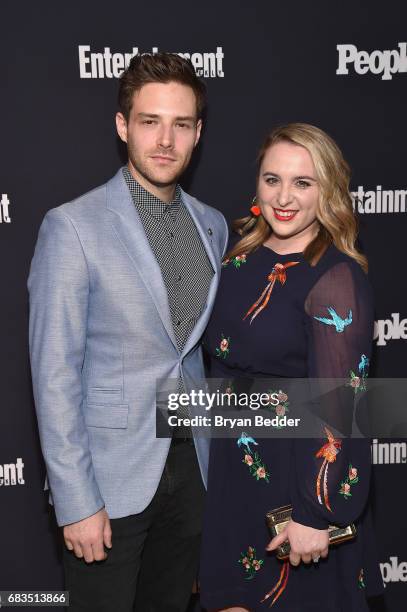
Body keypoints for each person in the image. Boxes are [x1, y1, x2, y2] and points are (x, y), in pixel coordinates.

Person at [28, 52, 228, 612]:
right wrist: (75, 501)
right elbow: (53, 376)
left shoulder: (211, 223)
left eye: (180, 124)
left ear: (197, 134)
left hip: (191, 474)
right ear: (122, 126)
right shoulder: (72, 226)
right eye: (150, 121)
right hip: (109, 484)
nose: (165, 140)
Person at [199, 123, 383, 611]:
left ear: (328, 190)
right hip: (232, 473)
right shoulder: (239, 256)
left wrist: (315, 512)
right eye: (272, 179)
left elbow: (342, 404)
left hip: (293, 490)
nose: (285, 196)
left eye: (303, 182)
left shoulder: (335, 276)